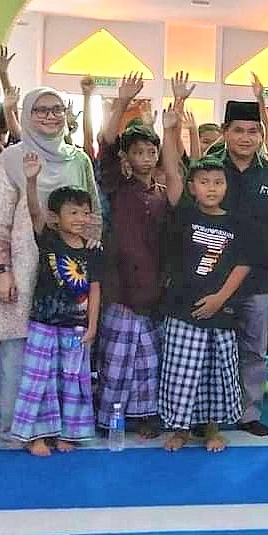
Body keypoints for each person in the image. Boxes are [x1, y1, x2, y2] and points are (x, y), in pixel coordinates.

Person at [0, 87, 101, 439]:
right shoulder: (11, 159)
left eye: (56, 109)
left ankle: (59, 429)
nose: (50, 116)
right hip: (22, 266)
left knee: (63, 350)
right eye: (40, 110)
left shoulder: (78, 159)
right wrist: (1, 270)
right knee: (18, 347)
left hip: (69, 274)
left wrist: (92, 241)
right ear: (27, 115)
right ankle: (16, 429)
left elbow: (94, 210)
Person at [157, 110, 255, 453]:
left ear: (226, 187)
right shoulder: (185, 212)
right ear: (192, 188)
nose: (211, 188)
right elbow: (172, 170)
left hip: (221, 312)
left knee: (215, 374)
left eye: (218, 182)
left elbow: (243, 264)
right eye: (204, 182)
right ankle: (180, 429)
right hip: (182, 311)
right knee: (181, 373)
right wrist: (170, 131)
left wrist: (220, 298)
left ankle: (212, 429)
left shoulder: (236, 222)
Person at [10, 154, 101, 455]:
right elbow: (34, 211)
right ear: (56, 218)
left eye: (85, 213)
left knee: (72, 379)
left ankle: (68, 433)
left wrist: (92, 326)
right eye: (72, 213)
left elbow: (95, 289)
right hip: (43, 323)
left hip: (75, 326)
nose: (80, 218)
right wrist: (32, 180)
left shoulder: (93, 249)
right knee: (40, 379)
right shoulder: (48, 238)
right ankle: (36, 436)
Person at [94, 74, 168, 439]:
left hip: (153, 291)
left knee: (149, 362)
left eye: (151, 152)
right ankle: (110, 419)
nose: (145, 158)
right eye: (137, 152)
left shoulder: (163, 194)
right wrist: (123, 101)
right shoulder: (116, 186)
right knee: (117, 362)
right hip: (120, 290)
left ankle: (145, 416)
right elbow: (106, 145)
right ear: (127, 156)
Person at [216, 100, 268, 438]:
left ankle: (249, 412)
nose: (246, 138)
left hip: (261, 279)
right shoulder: (209, 171)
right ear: (225, 133)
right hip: (214, 280)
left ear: (261, 135)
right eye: (238, 131)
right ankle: (211, 414)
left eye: (253, 131)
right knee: (214, 349)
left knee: (255, 350)